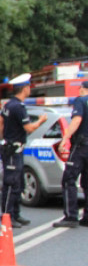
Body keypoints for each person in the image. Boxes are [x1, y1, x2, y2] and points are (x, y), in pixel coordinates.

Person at [0, 73, 48, 227]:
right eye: (29, 86)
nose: (30, 89)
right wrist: (40, 121)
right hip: (13, 150)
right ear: (25, 88)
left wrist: (4, 137)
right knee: (11, 183)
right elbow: (29, 128)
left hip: (12, 148)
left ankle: (15, 214)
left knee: (18, 183)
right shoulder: (18, 107)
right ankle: (7, 216)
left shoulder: (9, 104)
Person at [53, 80, 88, 228]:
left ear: (82, 89)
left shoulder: (80, 101)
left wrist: (65, 139)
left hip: (81, 146)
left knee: (68, 179)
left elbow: (76, 120)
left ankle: (71, 216)